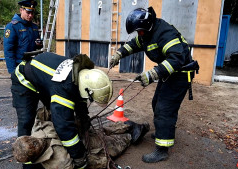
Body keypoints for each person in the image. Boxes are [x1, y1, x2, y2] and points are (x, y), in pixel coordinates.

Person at [11, 50, 149, 168]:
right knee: (26, 122)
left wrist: (84, 120)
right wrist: (80, 158)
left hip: (45, 79)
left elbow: (80, 101)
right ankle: (28, 166)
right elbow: (64, 127)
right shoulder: (63, 90)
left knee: (63, 119)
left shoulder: (82, 76)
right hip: (25, 81)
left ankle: (128, 127)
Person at [110, 7, 198, 163]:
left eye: (140, 31)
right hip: (169, 74)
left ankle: (162, 150)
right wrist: (119, 54)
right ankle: (164, 131)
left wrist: (153, 73)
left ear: (147, 25)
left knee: (164, 109)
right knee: (156, 102)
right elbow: (133, 44)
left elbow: (177, 59)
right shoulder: (146, 34)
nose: (139, 34)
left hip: (180, 75)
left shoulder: (165, 34)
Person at [12, 107, 150, 169]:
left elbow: (48, 110)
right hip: (91, 149)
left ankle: (127, 125)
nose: (38, 140)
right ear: (36, 154)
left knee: (106, 129)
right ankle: (133, 134)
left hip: (83, 132)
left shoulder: (37, 127)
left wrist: (71, 115)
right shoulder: (57, 164)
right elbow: (83, 164)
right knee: (116, 144)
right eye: (35, 145)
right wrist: (102, 161)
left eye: (32, 139)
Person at [4, 0, 42, 74]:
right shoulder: (12, 26)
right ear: (21, 10)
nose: (30, 15)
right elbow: (8, 51)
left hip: (32, 65)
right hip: (19, 66)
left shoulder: (34, 27)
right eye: (28, 12)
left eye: (32, 13)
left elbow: (37, 46)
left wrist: (39, 44)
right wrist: (12, 72)